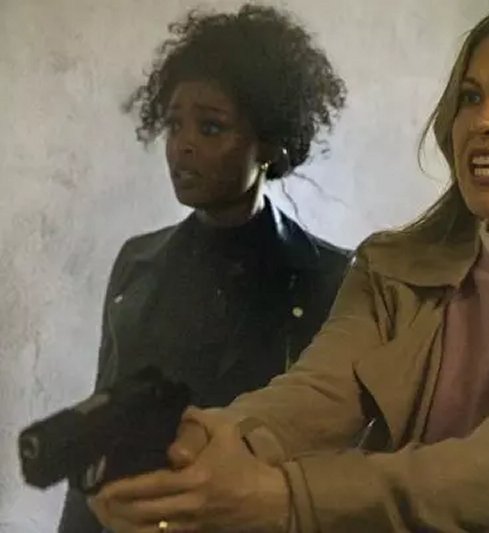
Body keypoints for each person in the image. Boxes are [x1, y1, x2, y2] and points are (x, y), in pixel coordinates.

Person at [89, 2, 489, 532]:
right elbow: (315, 395)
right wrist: (200, 446)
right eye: (470, 97)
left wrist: (285, 499)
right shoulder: (393, 269)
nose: (484, 120)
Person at [57, 4, 349, 532]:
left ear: (268, 144)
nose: (183, 145)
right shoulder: (138, 265)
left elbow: (332, 458)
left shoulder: (330, 278)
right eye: (174, 125)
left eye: (211, 127)